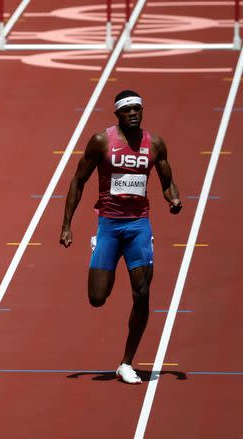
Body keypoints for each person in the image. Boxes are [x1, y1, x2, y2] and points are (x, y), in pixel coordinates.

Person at [60, 90, 182, 384]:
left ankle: (126, 362)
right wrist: (67, 225)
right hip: (109, 225)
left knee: (142, 292)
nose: (133, 113)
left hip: (139, 225)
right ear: (117, 115)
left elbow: (168, 181)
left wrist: (173, 199)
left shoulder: (154, 144)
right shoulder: (102, 141)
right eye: (127, 110)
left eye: (137, 108)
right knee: (97, 298)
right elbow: (78, 180)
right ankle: (104, 255)